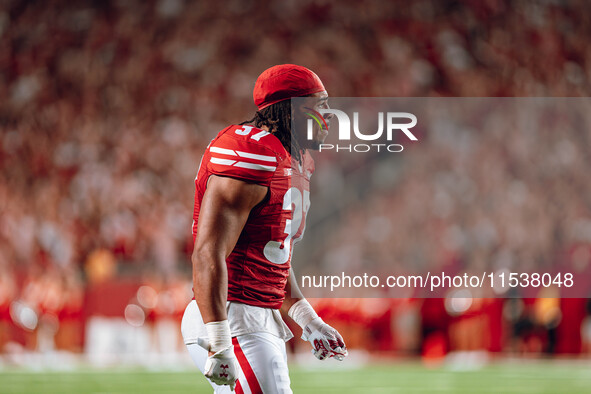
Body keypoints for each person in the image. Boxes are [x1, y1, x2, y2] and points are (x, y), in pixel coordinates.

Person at [181, 64, 347, 393]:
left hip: (259, 318)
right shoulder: (250, 151)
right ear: (290, 110)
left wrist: (308, 320)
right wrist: (219, 340)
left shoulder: (295, 161)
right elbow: (207, 252)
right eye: (319, 106)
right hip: (232, 315)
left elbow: (273, 261)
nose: (328, 116)